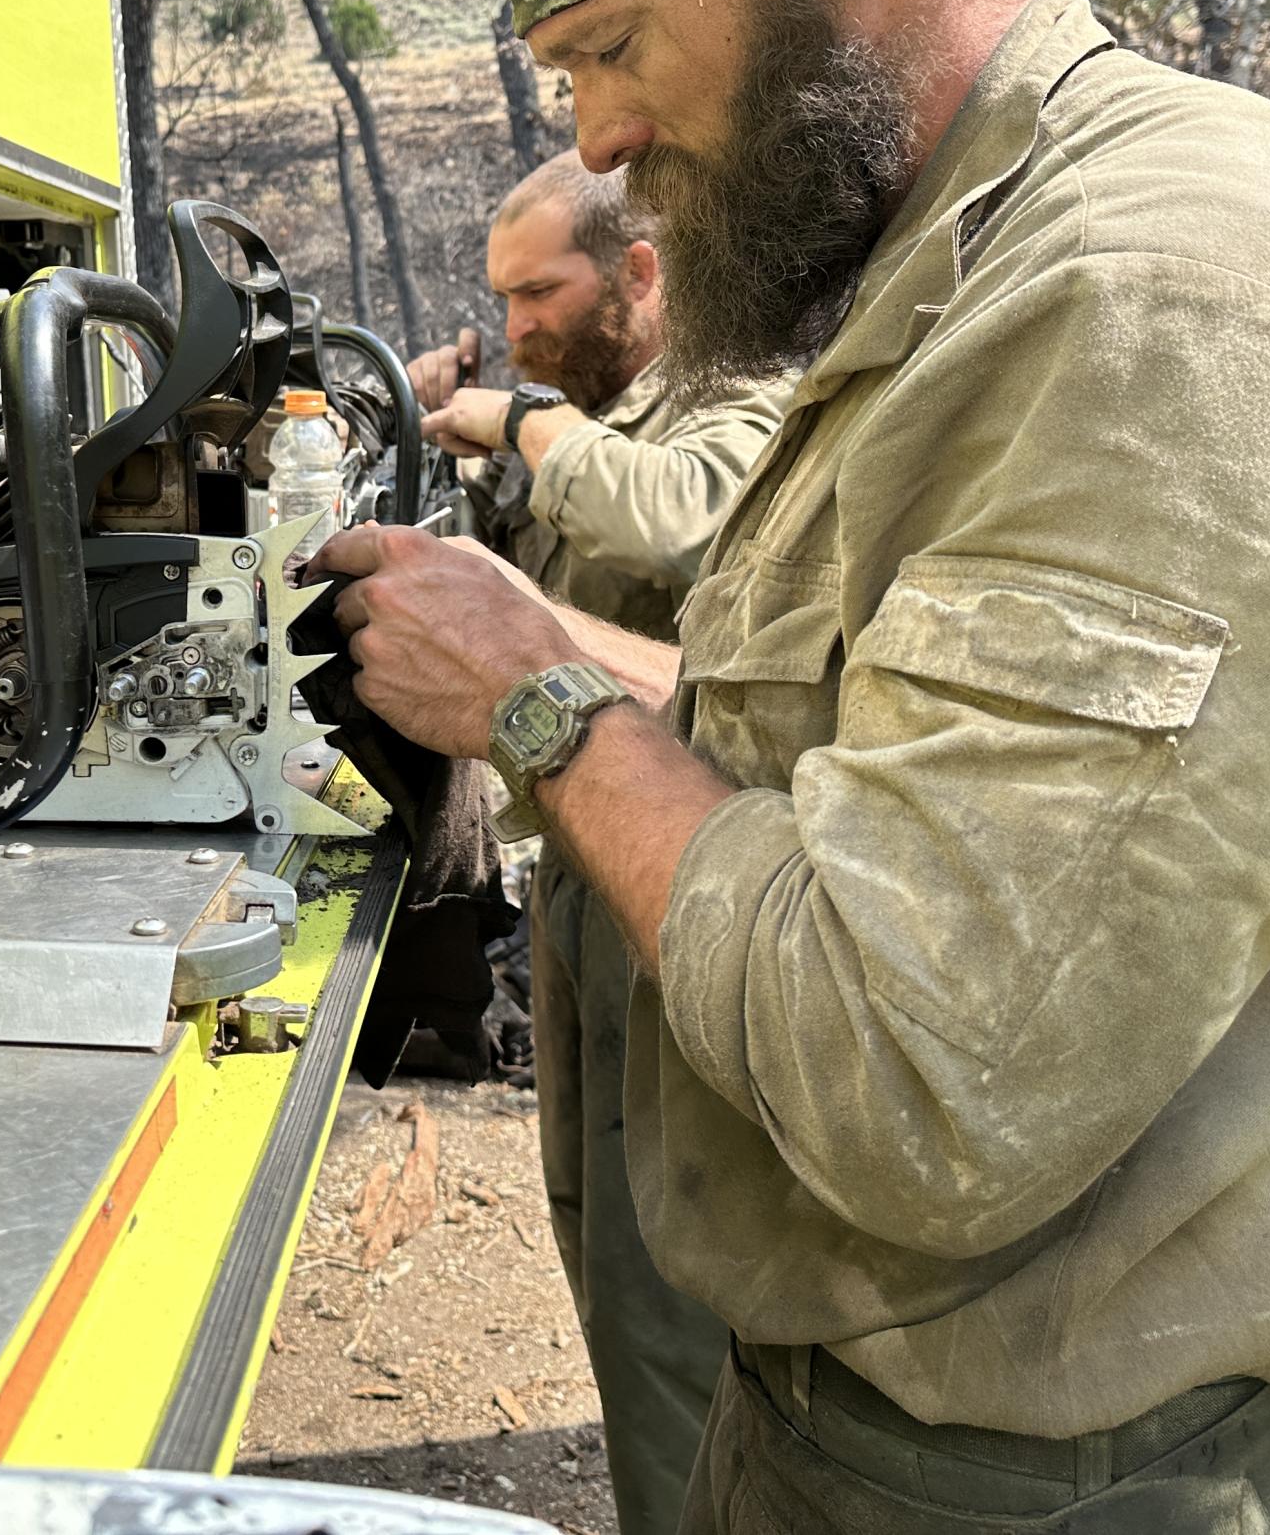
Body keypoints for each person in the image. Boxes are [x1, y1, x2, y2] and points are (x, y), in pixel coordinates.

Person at [314, 0, 1270, 1532]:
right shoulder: (958, 269)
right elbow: (849, 758)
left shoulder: (1160, 307)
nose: (601, 140)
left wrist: (539, 703)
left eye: (612, 48)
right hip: (870, 1445)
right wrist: (532, 642)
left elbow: (916, 1073)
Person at [409, 151, 789, 1535]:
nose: (515, 326)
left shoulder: (739, 399)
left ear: (640, 272)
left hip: (687, 866)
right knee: (604, 1253)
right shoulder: (604, 414)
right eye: (500, 298)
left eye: (540, 292)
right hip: (583, 876)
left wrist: (519, 429)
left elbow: (683, 518)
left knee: (669, 1294)